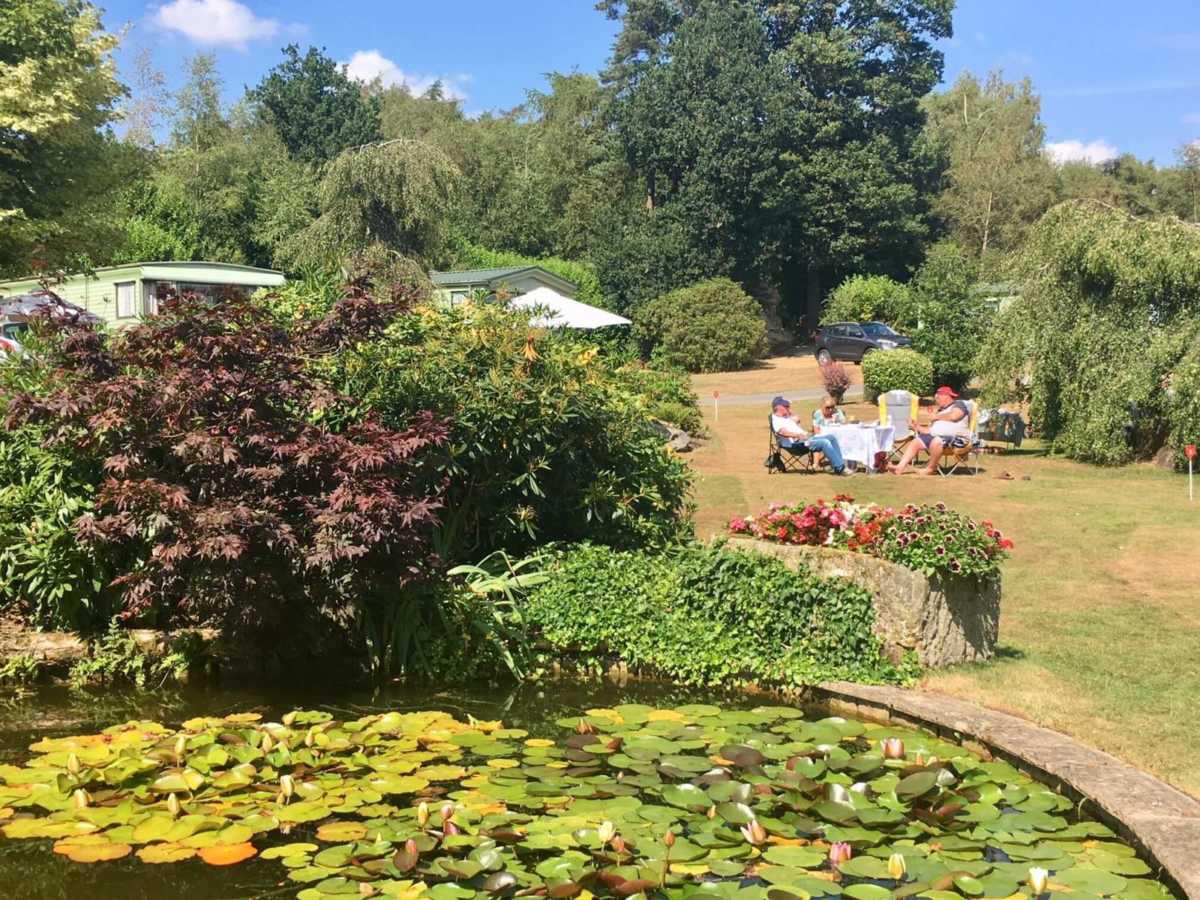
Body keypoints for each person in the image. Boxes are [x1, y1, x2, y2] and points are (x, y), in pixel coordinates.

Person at [889, 386, 971, 475]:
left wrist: (936, 416)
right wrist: (915, 426)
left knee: (937, 440)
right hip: (939, 437)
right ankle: (900, 467)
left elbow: (954, 416)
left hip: (957, 438)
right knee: (916, 441)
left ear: (945, 396)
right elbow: (929, 431)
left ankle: (930, 469)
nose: (937, 400)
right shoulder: (940, 411)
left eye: (938, 398)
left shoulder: (958, 404)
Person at [771, 396, 848, 474]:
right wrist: (797, 435)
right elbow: (782, 432)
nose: (789, 407)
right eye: (786, 406)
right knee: (824, 442)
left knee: (831, 438)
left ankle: (840, 464)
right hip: (796, 445)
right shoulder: (777, 420)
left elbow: (796, 419)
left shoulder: (785, 417)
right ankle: (840, 468)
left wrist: (791, 415)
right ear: (779, 407)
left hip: (804, 439)